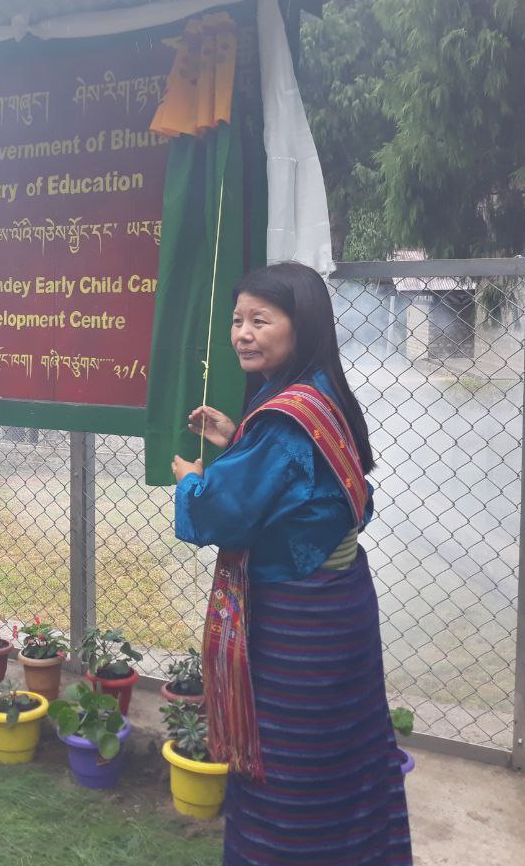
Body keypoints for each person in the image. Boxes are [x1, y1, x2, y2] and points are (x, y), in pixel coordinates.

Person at [173, 262, 411, 865]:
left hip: (297, 625)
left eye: (260, 320)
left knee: (286, 766)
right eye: (236, 320)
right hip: (341, 606)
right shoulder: (320, 397)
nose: (242, 334)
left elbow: (222, 516)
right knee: (344, 756)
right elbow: (319, 494)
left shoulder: (284, 418)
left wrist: (192, 481)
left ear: (300, 326)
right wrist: (240, 444)